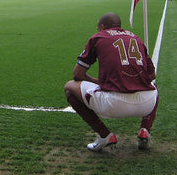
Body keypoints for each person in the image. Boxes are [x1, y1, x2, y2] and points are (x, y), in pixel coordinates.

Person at [64, 12, 158, 152]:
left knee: (69, 87)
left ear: (102, 27)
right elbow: (152, 75)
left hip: (113, 104)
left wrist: (96, 81)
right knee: (154, 87)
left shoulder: (98, 37)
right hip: (146, 104)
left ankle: (104, 135)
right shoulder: (136, 38)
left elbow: (78, 74)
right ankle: (145, 130)